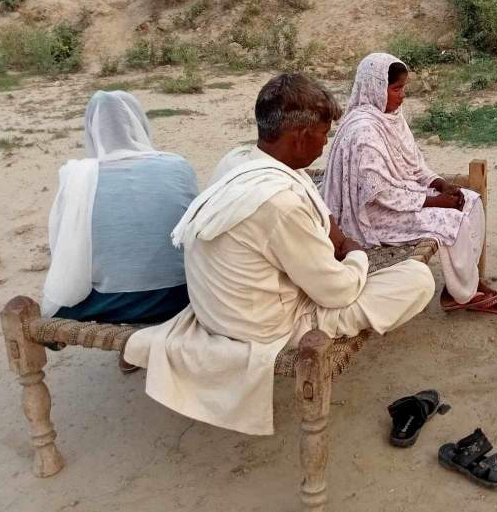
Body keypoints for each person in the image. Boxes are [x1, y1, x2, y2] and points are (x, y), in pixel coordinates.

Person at [124, 73, 434, 435]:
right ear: (301, 136)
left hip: (216, 314)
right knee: (417, 278)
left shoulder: (238, 163)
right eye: (323, 134)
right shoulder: (279, 202)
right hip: (264, 327)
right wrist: (354, 254)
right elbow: (337, 292)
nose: (325, 143)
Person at [321, 53, 497, 314]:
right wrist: (435, 201)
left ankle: (463, 284)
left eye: (404, 88)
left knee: (471, 201)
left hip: (404, 195)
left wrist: (440, 184)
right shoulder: (363, 131)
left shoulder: (391, 117)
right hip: (372, 215)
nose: (403, 95)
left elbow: (413, 163)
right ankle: (465, 294)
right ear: (375, 88)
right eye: (396, 89)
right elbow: (381, 194)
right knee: (452, 220)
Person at [42, 91, 196, 326]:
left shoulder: (77, 175)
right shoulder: (177, 165)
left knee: (63, 299)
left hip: (111, 303)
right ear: (140, 123)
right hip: (181, 297)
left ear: (91, 130)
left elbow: (63, 245)